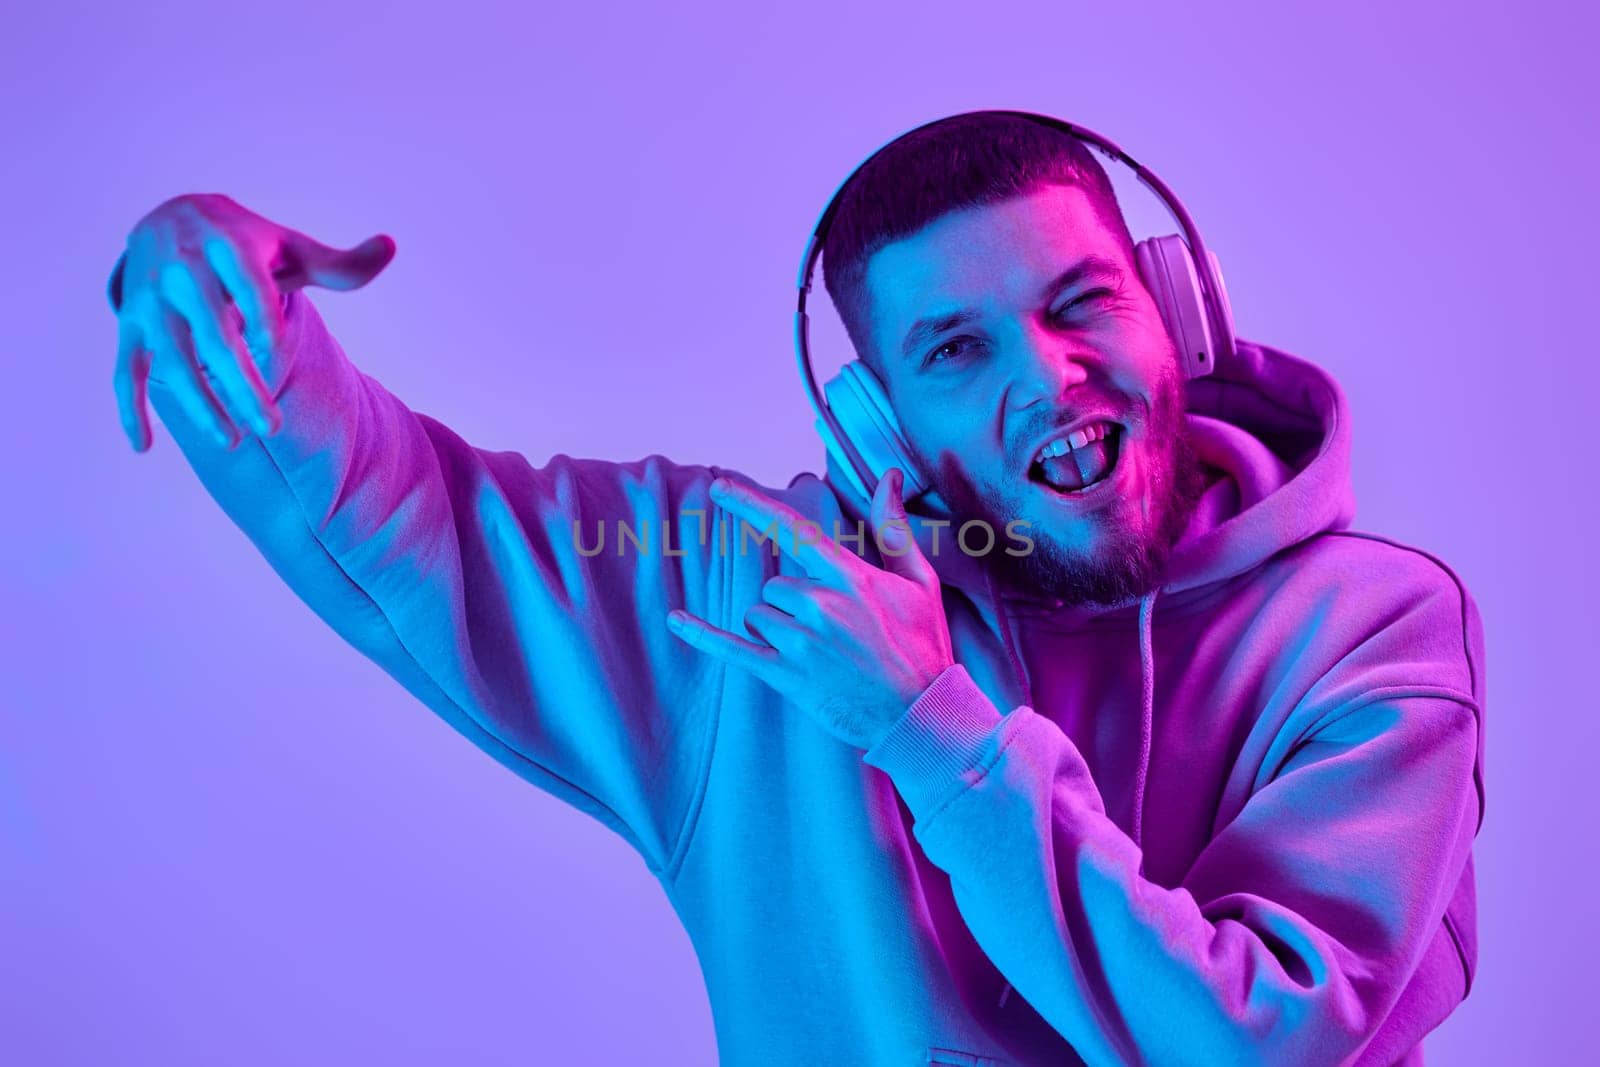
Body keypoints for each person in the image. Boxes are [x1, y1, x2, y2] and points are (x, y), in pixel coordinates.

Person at [106, 112, 1485, 1066]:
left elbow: (1252, 1038)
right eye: (954, 349)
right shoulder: (759, 597)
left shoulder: (1375, 631)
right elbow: (415, 519)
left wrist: (927, 728)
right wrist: (228, 313)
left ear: (1174, 308)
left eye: (1083, 301)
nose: (1047, 374)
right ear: (876, 426)